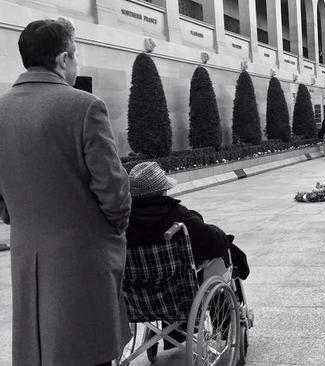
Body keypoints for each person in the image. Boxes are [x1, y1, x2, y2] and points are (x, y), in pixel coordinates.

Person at [0, 18, 132, 366]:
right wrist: (113, 227)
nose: (78, 64)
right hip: (84, 259)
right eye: (76, 56)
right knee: (89, 352)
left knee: (40, 353)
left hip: (27, 256)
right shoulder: (85, 107)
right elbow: (114, 192)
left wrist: (19, 216)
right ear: (62, 59)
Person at [126, 161, 248, 350]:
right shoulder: (177, 218)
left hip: (137, 299)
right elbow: (213, 242)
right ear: (163, 190)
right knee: (226, 252)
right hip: (178, 297)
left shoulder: (121, 220)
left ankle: (167, 331)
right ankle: (225, 321)